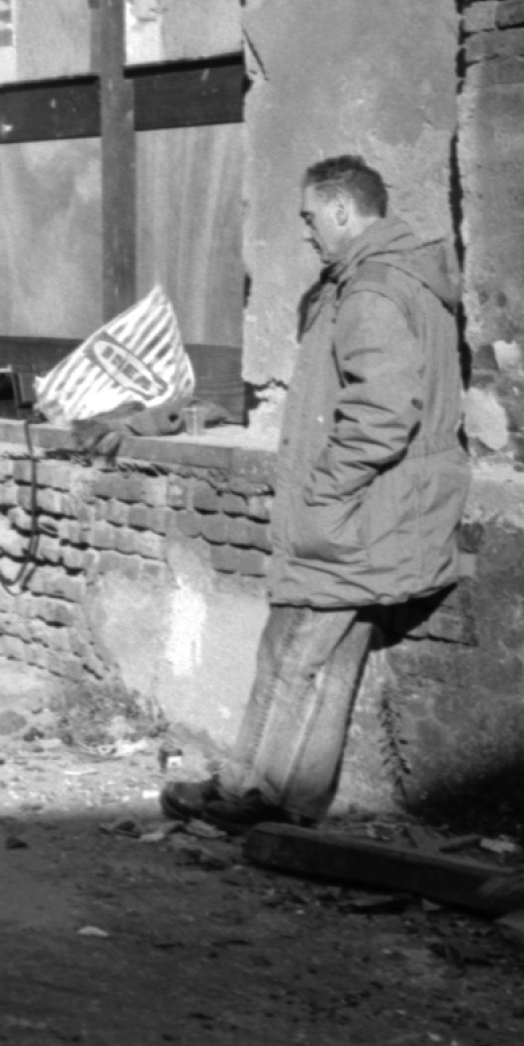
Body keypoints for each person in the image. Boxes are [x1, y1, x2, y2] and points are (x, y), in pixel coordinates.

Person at [162, 155, 469, 831]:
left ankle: (248, 793)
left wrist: (325, 492)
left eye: (309, 217)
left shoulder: (371, 292)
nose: (306, 233)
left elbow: (384, 412)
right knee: (334, 653)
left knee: (291, 647)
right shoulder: (401, 279)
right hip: (390, 509)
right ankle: (295, 803)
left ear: (340, 210)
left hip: (359, 510)